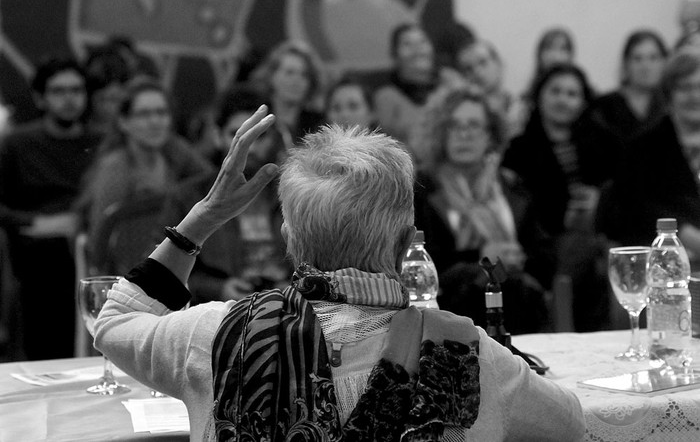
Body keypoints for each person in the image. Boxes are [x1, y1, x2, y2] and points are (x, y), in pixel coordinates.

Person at [93, 107, 584, 440]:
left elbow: (115, 322)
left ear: (290, 239)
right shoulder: (467, 351)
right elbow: (569, 423)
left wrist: (200, 220)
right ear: (406, 239)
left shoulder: (215, 333)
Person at [414, 88, 553, 334]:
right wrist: (482, 258)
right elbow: (421, 263)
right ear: (440, 134)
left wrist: (518, 257)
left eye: (474, 125)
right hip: (453, 308)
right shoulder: (423, 189)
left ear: (491, 135)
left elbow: (544, 253)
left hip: (518, 299)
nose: (464, 134)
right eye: (454, 126)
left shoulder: (511, 186)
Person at [0, 57, 102, 359]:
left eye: (76, 90)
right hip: (35, 259)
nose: (69, 99)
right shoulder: (17, 144)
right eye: (59, 91)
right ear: (40, 98)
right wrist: (35, 223)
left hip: (90, 253)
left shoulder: (102, 142)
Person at [502, 63, 606, 331]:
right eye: (555, 91)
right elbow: (521, 208)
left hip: (597, 234)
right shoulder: (520, 148)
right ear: (539, 96)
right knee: (581, 249)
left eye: (572, 94)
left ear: (583, 102)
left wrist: (599, 200)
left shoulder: (603, 142)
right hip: (546, 240)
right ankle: (556, 320)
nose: (563, 100)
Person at [172, 85, 291, 304]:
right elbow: (164, 270)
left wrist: (295, 285)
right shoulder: (189, 196)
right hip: (218, 310)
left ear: (273, 138)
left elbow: (322, 261)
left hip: (285, 306)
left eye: (260, 136)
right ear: (217, 136)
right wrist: (218, 289)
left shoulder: (293, 192)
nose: (250, 147)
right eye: (238, 135)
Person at [78, 77, 214, 261]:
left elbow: (211, 183)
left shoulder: (175, 149)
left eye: (162, 112)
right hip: (126, 268)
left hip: (168, 258)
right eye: (144, 114)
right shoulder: (114, 166)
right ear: (123, 122)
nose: (155, 121)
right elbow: (100, 238)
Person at [605, 51, 700, 268]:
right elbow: (634, 209)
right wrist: (684, 235)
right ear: (669, 94)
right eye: (685, 88)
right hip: (664, 264)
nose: (695, 96)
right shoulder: (643, 146)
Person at [582, 30, 668, 186]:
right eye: (637, 58)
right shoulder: (603, 106)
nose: (646, 66)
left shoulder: (672, 106)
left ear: (664, 62)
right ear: (626, 63)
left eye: (653, 58)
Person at [373, 23, 464, 164]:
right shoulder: (386, 97)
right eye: (407, 44)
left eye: (422, 41)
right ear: (394, 54)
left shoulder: (452, 82)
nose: (417, 49)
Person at [247, 40, 324, 146]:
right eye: (289, 73)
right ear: (271, 75)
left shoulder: (319, 126)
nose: (296, 81)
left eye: (304, 75)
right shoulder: (251, 118)